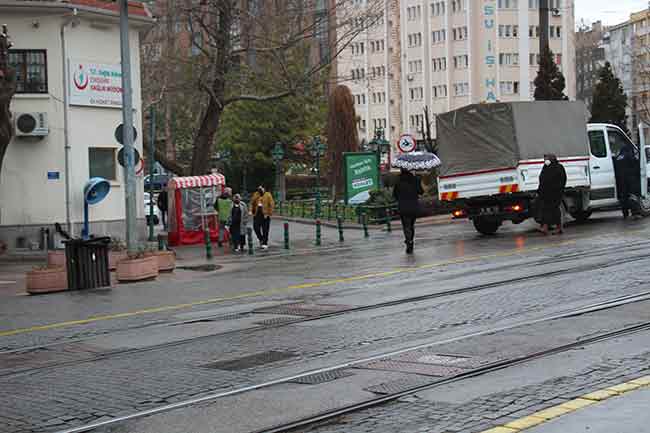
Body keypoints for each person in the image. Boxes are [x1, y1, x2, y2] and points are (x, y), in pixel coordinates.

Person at [393, 168, 424, 254]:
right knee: (411, 225)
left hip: (403, 207)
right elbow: (421, 192)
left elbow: (394, 195)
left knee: (406, 226)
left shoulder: (398, 182)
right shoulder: (415, 180)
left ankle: (409, 241)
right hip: (414, 206)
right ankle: (410, 240)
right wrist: (418, 182)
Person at [537, 154, 567, 235]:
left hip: (555, 193)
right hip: (545, 193)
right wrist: (539, 190)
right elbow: (542, 179)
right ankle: (547, 227)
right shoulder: (546, 167)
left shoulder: (558, 167)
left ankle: (556, 227)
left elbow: (562, 179)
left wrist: (558, 189)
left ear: (552, 159)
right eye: (545, 159)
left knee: (553, 210)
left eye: (546, 159)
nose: (545, 160)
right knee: (546, 210)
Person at [614, 141, 640, 219]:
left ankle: (625, 213)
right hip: (630, 178)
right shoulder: (629, 155)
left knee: (624, 196)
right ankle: (634, 213)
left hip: (621, 179)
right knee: (632, 196)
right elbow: (635, 164)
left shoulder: (618, 157)